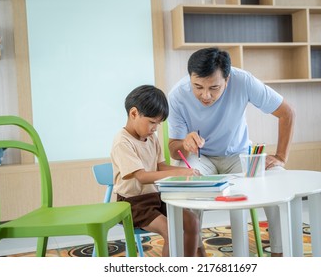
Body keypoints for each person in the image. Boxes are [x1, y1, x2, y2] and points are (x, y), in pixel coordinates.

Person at [167, 47, 295, 257]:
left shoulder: (243, 81)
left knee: (276, 181)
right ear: (190, 77)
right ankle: (198, 257)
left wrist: (281, 156)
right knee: (188, 184)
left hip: (239, 154)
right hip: (201, 157)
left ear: (227, 79)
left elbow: (287, 112)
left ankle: (279, 255)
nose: (205, 95)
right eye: (197, 86)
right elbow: (173, 150)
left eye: (214, 87)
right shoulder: (177, 95)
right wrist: (184, 144)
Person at [111, 85, 201, 257]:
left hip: (156, 198)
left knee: (192, 222)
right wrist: (178, 173)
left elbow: (160, 166)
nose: (155, 128)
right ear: (134, 113)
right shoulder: (122, 142)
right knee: (170, 230)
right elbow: (142, 177)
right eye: (152, 122)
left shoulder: (151, 137)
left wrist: (188, 171)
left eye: (158, 124)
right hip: (133, 203)